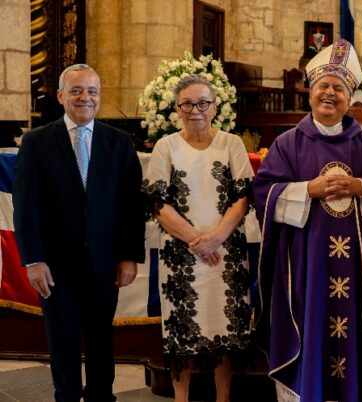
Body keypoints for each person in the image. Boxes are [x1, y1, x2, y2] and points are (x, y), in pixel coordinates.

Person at [253, 39, 362, 402]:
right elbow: (264, 191)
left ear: (350, 98)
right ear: (309, 93)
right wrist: (307, 190)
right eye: (323, 86)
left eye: (339, 88)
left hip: (356, 271)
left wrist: (361, 185)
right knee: (311, 322)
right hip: (305, 264)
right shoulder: (287, 143)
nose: (330, 93)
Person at [13, 64, 145, 401]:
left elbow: (131, 206)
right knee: (63, 342)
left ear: (99, 98)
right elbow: (26, 206)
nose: (85, 97)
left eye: (92, 91)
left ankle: (102, 397)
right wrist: (33, 260)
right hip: (55, 267)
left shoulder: (120, 143)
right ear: (60, 96)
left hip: (105, 264)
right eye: (76, 91)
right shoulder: (36, 142)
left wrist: (130, 256)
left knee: (102, 342)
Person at [142, 75, 253, 402]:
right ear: (177, 109)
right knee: (183, 331)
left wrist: (216, 238)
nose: (195, 110)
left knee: (225, 329)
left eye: (202, 103)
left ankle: (223, 397)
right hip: (181, 258)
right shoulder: (167, 146)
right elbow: (156, 201)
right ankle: (181, 398)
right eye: (187, 104)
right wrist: (197, 240)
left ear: (214, 106)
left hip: (226, 255)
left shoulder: (232, 144)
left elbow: (243, 197)